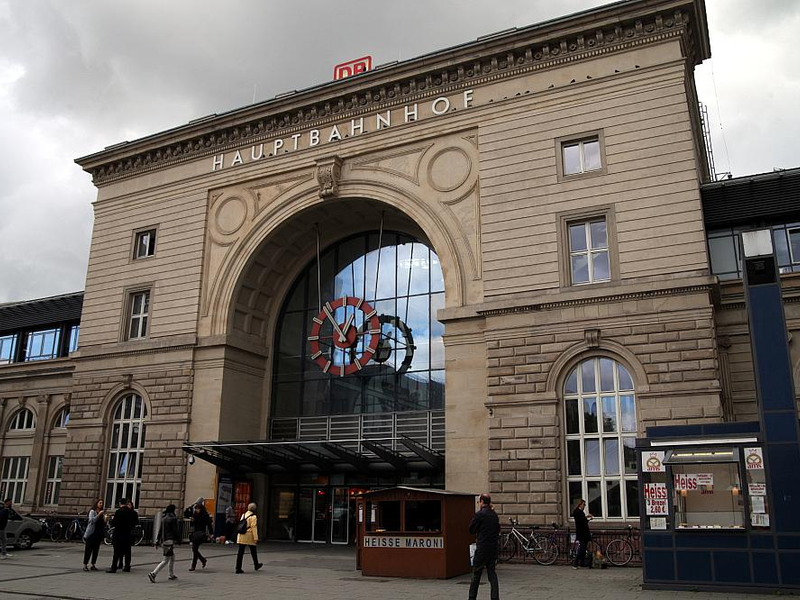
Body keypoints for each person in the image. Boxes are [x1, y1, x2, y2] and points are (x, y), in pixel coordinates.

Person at [468, 493, 500, 600]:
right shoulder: (494, 515)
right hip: (493, 548)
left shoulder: (480, 514)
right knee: (492, 574)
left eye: (479, 502)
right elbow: (497, 530)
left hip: (482, 548)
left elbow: (471, 529)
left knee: (476, 574)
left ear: (482, 501)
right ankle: (495, 598)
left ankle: (472, 598)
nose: (479, 504)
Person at [148, 504, 180, 583]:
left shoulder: (164, 518)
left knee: (172, 557)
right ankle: (153, 573)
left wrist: (157, 541)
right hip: (169, 540)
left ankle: (171, 574)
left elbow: (160, 530)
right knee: (166, 560)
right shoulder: (173, 518)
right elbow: (175, 531)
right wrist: (178, 540)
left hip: (164, 540)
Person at [107, 498, 136, 573]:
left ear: (120, 503)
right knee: (127, 551)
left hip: (118, 534)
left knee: (116, 551)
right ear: (126, 503)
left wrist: (113, 519)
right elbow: (135, 522)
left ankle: (114, 567)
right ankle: (127, 566)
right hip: (127, 534)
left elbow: (114, 523)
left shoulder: (118, 512)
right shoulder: (131, 512)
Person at [235, 502, 263, 574]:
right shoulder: (253, 517)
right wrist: (256, 538)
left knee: (240, 552)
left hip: (241, 535)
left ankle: (238, 568)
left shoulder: (243, 515)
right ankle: (256, 564)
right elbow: (254, 528)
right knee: (253, 551)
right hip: (249, 535)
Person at [82, 499, 106, 571]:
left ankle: (93, 564)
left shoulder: (102, 512)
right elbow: (91, 521)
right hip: (92, 533)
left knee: (96, 550)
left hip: (98, 533)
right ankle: (85, 565)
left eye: (102, 503)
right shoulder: (93, 511)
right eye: (100, 503)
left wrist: (105, 519)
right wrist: (99, 514)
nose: (101, 504)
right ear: (96, 503)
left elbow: (103, 523)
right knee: (88, 549)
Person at [189, 502, 212, 571]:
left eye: (198, 509)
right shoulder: (195, 515)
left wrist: (211, 533)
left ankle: (195, 565)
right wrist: (192, 521)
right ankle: (201, 560)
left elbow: (209, 525)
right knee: (194, 549)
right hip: (195, 533)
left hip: (201, 534)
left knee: (194, 549)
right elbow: (192, 525)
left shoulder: (204, 515)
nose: (197, 510)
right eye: (196, 509)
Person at [571, 498, 593, 569]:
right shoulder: (576, 512)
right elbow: (579, 521)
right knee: (582, 549)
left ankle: (582, 563)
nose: (584, 506)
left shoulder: (581, 512)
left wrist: (588, 519)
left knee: (584, 549)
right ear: (580, 504)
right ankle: (575, 563)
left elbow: (584, 522)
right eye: (584, 504)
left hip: (584, 533)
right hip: (581, 533)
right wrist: (586, 517)